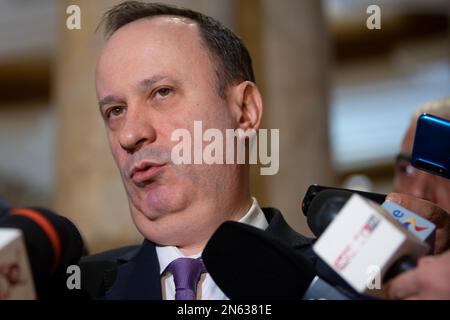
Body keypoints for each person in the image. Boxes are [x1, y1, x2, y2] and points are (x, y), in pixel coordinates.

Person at [78, 1, 321, 300]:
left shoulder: (342, 283)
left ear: (245, 111)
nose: (130, 134)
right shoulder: (71, 289)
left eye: (161, 93)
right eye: (115, 111)